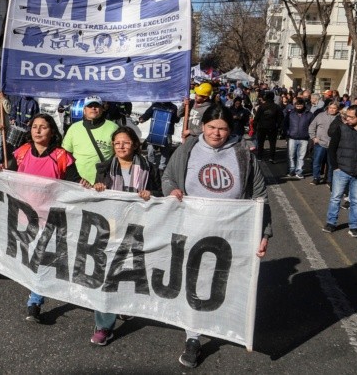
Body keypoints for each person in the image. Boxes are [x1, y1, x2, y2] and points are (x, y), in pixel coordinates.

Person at [161, 104, 272, 368]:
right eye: (211, 127)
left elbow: (260, 195)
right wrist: (172, 190)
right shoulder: (187, 149)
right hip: (193, 227)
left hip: (231, 231)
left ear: (230, 130)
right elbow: (167, 178)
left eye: (222, 129)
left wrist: (264, 232)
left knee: (224, 281)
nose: (216, 133)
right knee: (194, 280)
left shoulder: (243, 154)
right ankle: (193, 337)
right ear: (203, 126)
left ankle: (224, 322)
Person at [0, 113, 79, 323]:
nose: (37, 130)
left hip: (51, 218)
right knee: (31, 259)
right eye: (34, 127)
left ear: (52, 131)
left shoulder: (62, 156)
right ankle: (37, 293)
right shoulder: (21, 152)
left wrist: (84, 184)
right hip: (25, 216)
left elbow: (75, 184)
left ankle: (35, 301)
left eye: (43, 127)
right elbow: (8, 175)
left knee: (41, 260)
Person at [90, 126, 155, 346]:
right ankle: (103, 326)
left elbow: (161, 196)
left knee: (130, 270)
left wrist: (151, 194)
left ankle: (124, 305)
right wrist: (98, 187)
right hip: (111, 228)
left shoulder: (150, 168)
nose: (121, 147)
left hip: (138, 227)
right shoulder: (105, 168)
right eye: (117, 143)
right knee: (107, 275)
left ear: (135, 145)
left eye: (126, 142)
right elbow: (97, 197)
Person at [323, 105, 357, 236]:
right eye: (347, 116)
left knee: (356, 200)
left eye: (351, 117)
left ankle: (354, 226)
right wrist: (336, 167)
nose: (347, 119)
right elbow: (332, 149)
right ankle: (331, 223)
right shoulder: (341, 129)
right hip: (341, 170)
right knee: (335, 198)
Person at [63, 96, 118, 186]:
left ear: (102, 109)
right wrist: (75, 178)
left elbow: (119, 154)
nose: (93, 108)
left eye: (96, 105)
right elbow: (66, 154)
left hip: (104, 181)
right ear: (84, 110)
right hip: (79, 182)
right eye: (90, 106)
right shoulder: (74, 128)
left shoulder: (113, 127)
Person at [137, 101, 179, 174]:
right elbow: (148, 113)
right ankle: (151, 166)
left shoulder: (173, 107)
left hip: (167, 132)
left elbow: (177, 120)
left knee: (165, 151)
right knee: (150, 149)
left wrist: (172, 115)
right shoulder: (156, 105)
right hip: (155, 131)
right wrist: (142, 118)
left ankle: (162, 169)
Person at [308, 101, 339, 185]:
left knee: (330, 164)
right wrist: (313, 137)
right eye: (330, 108)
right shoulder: (320, 115)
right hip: (320, 143)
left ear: (337, 109)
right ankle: (316, 178)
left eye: (334, 108)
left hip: (333, 145)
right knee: (317, 161)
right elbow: (312, 126)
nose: (332, 110)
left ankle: (329, 180)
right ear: (328, 108)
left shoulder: (339, 118)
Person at [283, 98, 314, 179]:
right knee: (291, 155)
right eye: (297, 106)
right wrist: (288, 133)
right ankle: (291, 170)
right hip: (292, 137)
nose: (299, 107)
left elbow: (312, 126)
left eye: (300, 106)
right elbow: (285, 124)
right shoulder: (290, 114)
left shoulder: (309, 114)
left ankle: (299, 171)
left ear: (304, 105)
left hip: (304, 138)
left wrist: (310, 136)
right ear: (295, 105)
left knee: (301, 156)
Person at [253, 91, 283, 163]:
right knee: (272, 143)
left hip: (261, 127)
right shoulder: (277, 107)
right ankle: (271, 157)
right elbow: (280, 118)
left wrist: (255, 126)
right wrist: (278, 127)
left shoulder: (261, 106)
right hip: (272, 127)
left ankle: (260, 157)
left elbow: (256, 117)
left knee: (260, 143)